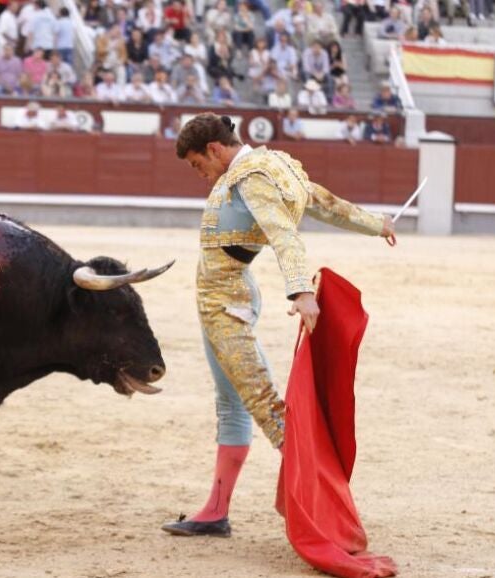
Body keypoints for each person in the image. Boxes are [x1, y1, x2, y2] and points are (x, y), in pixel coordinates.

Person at [161, 113, 394, 537]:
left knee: (267, 408)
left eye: (198, 164)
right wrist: (376, 224)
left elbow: (285, 234)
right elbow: (324, 203)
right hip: (225, 300)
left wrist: (301, 291)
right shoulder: (275, 164)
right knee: (232, 403)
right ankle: (215, 512)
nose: (200, 174)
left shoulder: (251, 178)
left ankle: (328, 511)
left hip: (226, 305)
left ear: (214, 148)